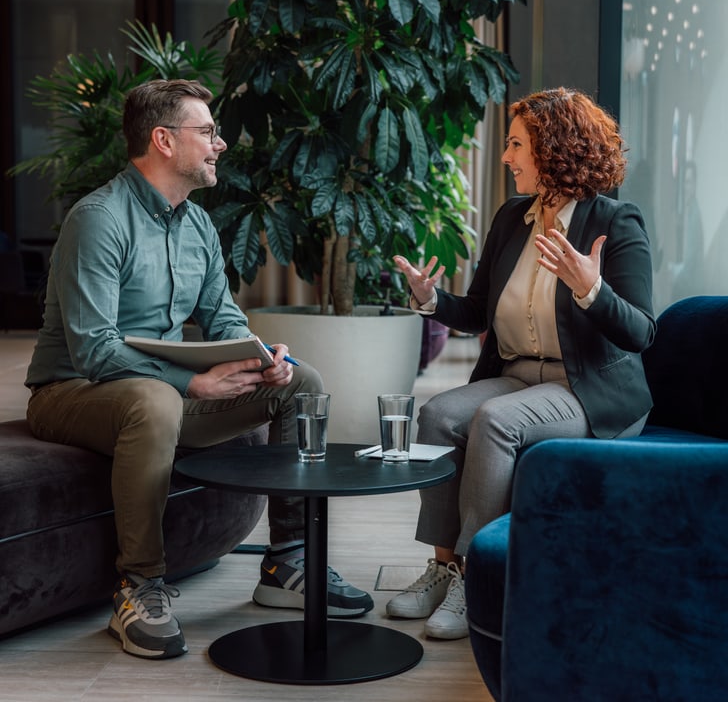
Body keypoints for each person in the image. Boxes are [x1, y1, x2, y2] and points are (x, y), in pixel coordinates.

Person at [24, 79, 373, 660]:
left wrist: (262, 360)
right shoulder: (99, 219)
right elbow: (93, 350)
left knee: (302, 383)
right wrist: (192, 383)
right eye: (207, 132)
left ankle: (287, 562)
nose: (221, 144)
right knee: (155, 401)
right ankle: (138, 586)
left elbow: (222, 317)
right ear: (163, 140)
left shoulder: (196, 224)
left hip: (158, 397)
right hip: (74, 392)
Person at [387, 87, 655, 639]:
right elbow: (479, 309)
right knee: (437, 414)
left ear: (554, 148)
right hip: (516, 375)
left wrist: (591, 288)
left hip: (586, 388)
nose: (506, 157)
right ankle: (444, 568)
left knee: (495, 422)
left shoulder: (615, 221)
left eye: (515, 145)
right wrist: (429, 299)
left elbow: (641, 332)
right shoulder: (513, 218)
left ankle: (479, 577)